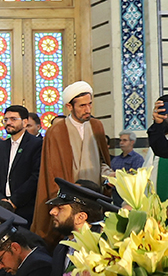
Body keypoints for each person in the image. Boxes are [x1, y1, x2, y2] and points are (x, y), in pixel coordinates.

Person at [33, 81, 112, 242]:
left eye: (90, 104)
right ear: (69, 106)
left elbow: (102, 162)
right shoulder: (57, 131)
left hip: (94, 198)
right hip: (71, 202)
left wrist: (108, 176)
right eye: (82, 106)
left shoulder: (97, 126)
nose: (88, 109)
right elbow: (52, 172)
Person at [0, 105, 43, 225]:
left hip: (25, 206)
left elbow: (36, 176)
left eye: (13, 119)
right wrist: (1, 200)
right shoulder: (1, 146)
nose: (8, 123)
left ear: (25, 122)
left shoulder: (36, 144)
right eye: (6, 119)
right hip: (2, 205)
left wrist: (14, 201)